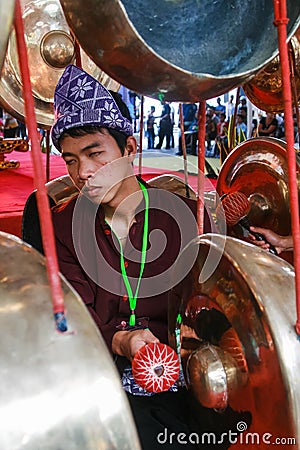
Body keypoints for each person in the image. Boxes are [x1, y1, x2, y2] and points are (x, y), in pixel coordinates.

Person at [50, 65, 216, 450]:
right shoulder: (63, 227)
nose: (83, 172)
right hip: (107, 378)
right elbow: (79, 318)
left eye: (95, 154)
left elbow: (226, 295)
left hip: (192, 371)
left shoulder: (186, 215)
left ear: (129, 148)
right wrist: (123, 341)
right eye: (71, 159)